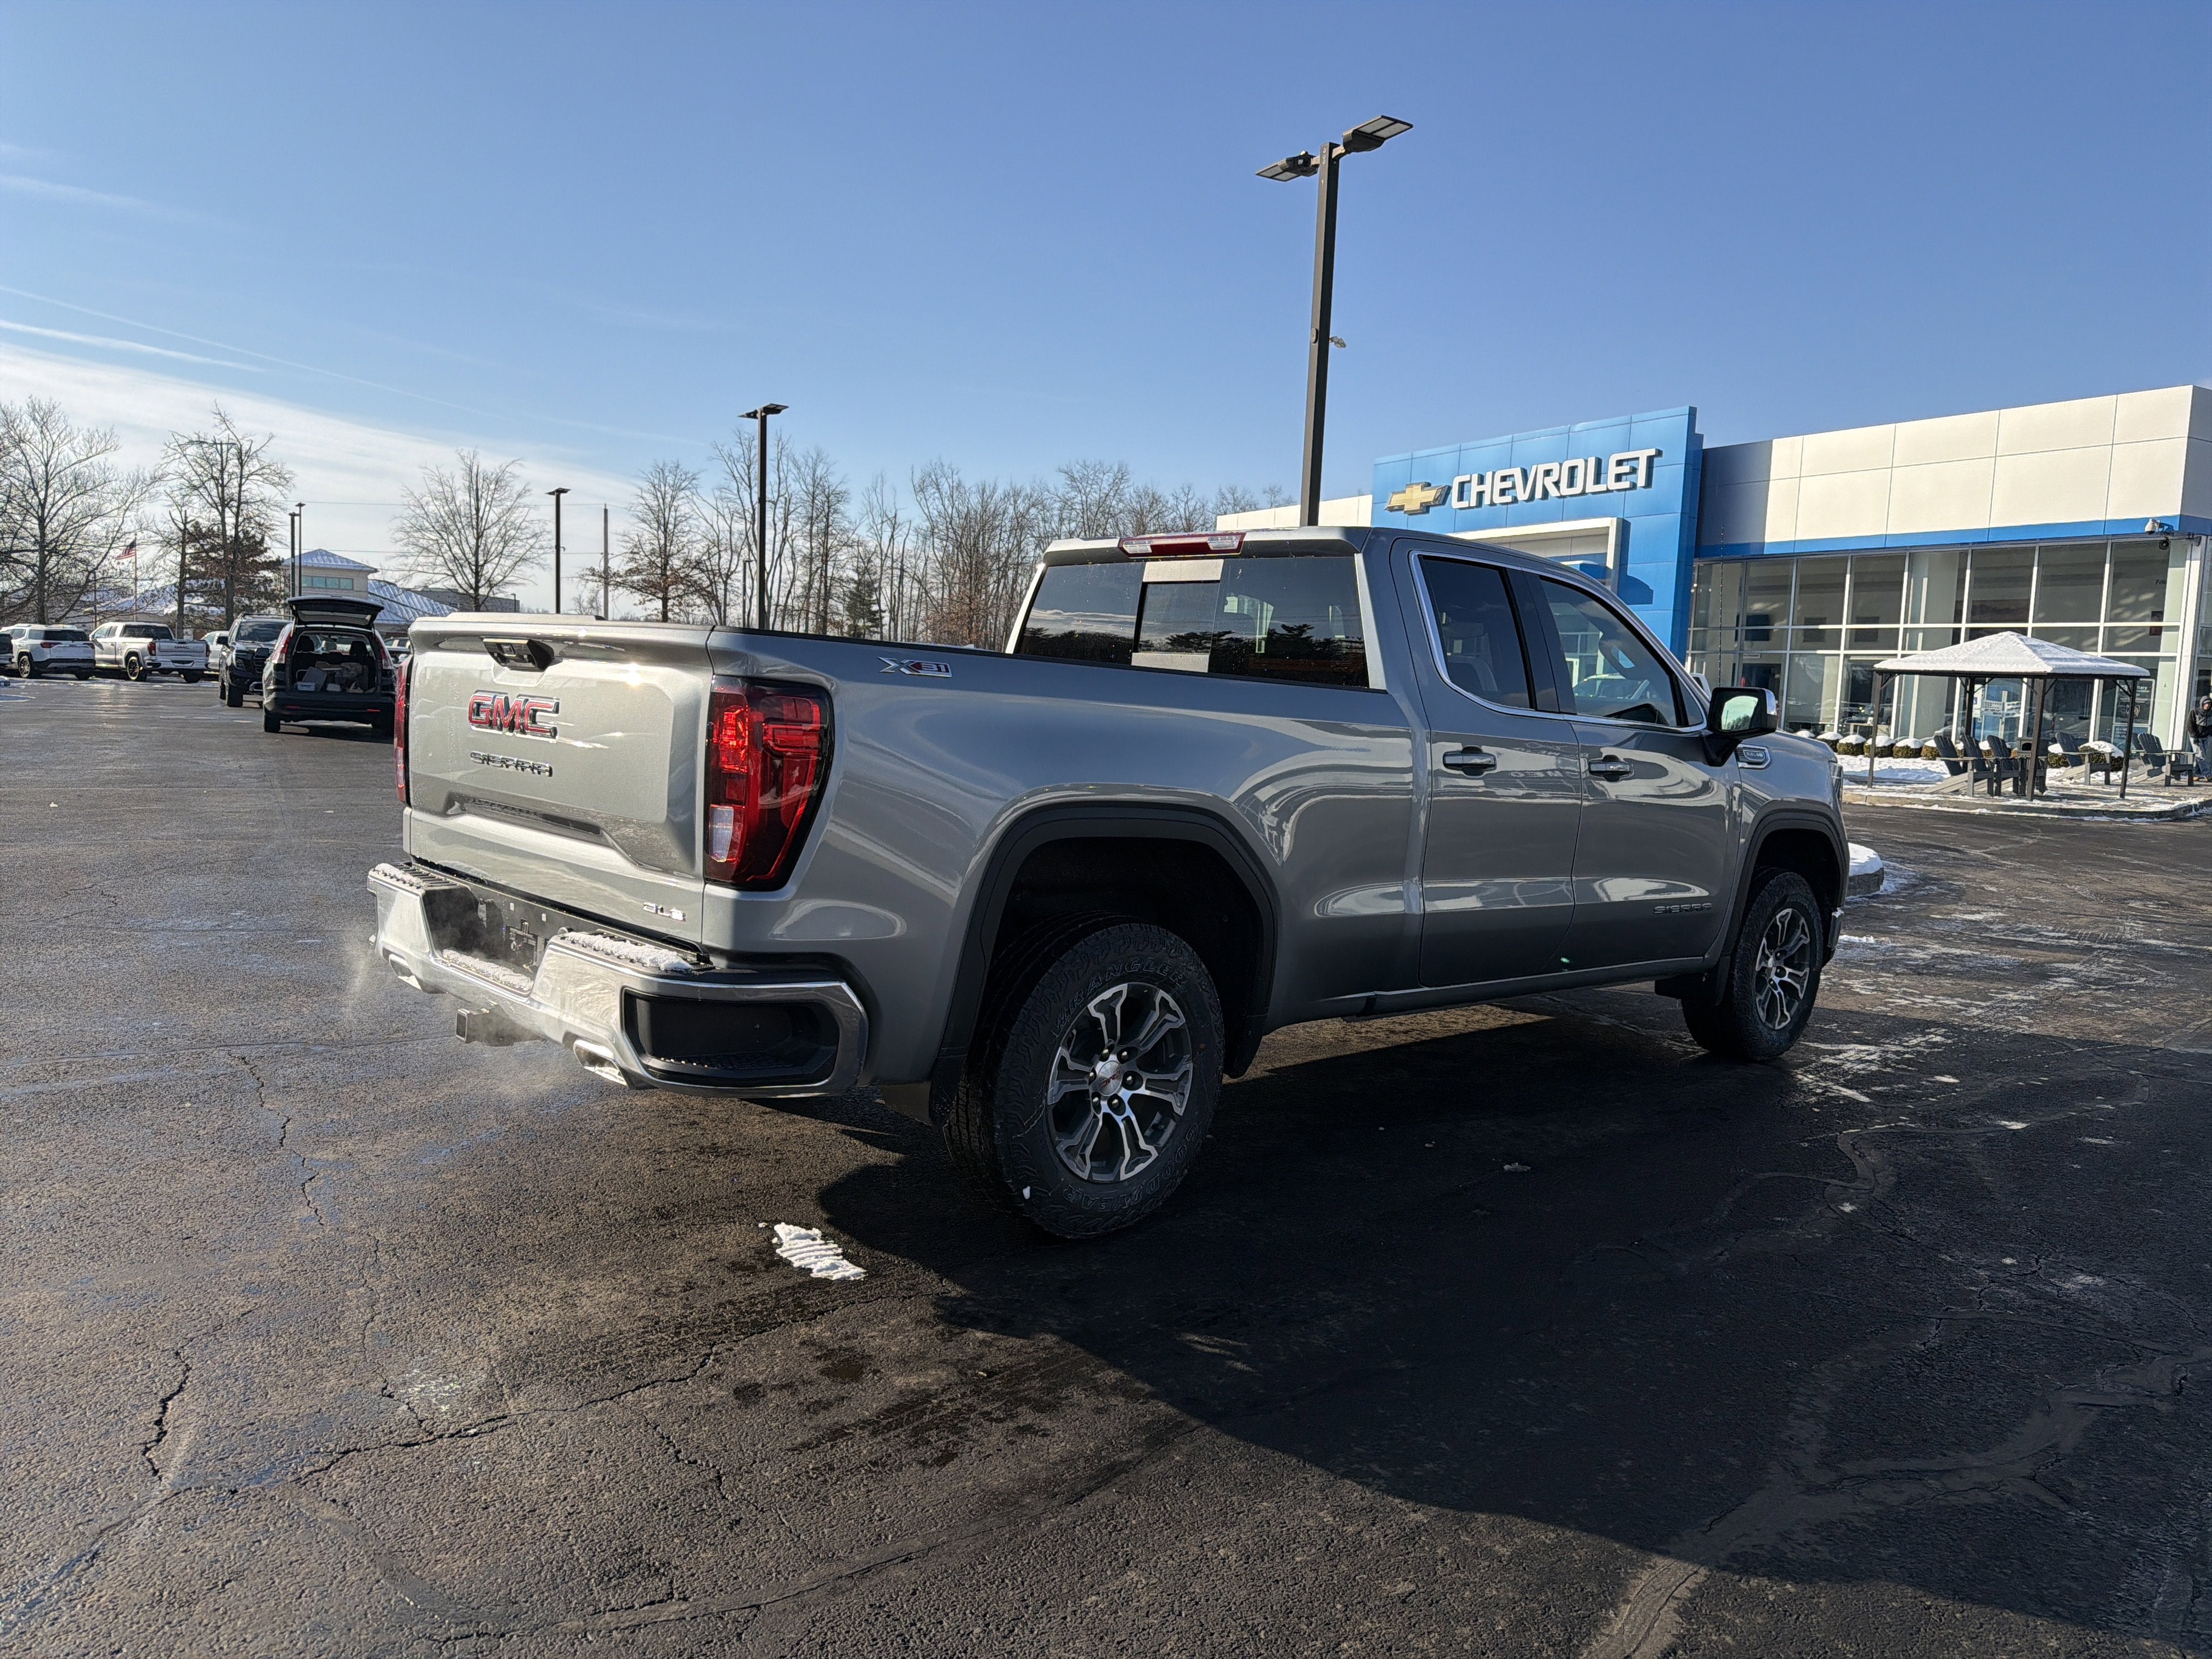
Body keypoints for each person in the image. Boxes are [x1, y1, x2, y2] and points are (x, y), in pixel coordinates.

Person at [2190, 693, 2212, 783]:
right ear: (2202, 704)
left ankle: (2196, 773)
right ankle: (2207, 774)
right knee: (2201, 755)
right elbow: (2190, 726)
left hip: (2207, 737)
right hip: (2197, 737)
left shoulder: (2211, 713)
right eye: (2206, 704)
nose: (2207, 706)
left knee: (2206, 756)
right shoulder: (2194, 712)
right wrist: (2195, 736)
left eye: (2209, 704)